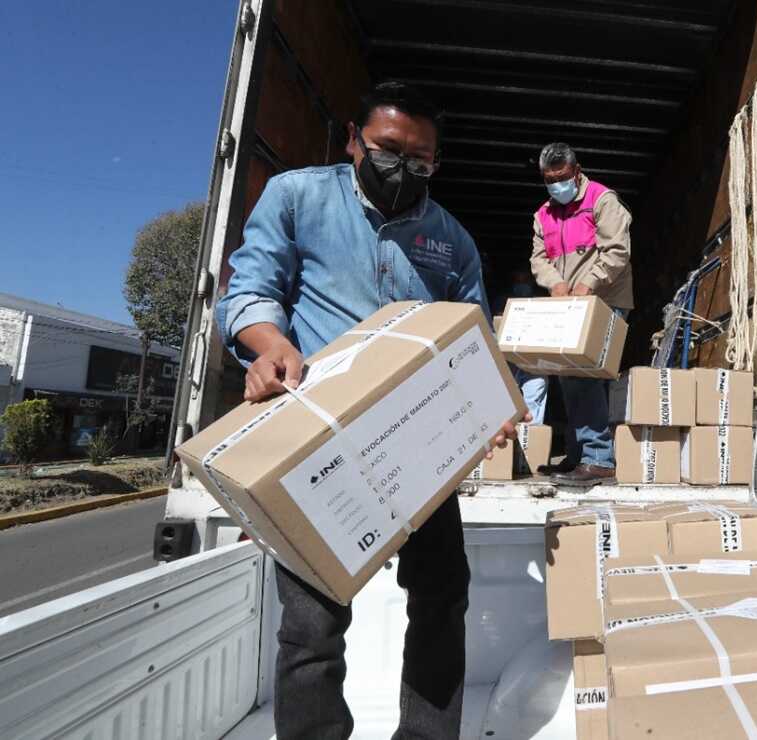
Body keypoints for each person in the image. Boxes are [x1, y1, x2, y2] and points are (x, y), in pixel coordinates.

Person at [217, 80, 527, 740]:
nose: (403, 169)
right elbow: (249, 289)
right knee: (311, 624)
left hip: (419, 445)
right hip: (316, 438)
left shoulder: (452, 240)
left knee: (443, 596)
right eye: (388, 149)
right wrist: (270, 347)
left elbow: (475, 343)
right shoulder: (299, 196)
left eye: (420, 160)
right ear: (355, 140)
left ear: (435, 164)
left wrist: (491, 407)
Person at [530, 142, 633, 484]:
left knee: (585, 376)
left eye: (561, 178)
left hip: (604, 301)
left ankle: (598, 458)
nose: (556, 185)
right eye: (549, 179)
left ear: (576, 171)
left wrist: (588, 282)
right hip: (568, 306)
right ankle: (579, 457)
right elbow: (538, 258)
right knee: (567, 377)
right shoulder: (543, 214)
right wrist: (555, 284)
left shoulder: (602, 200)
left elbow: (617, 251)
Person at [495, 269, 548, 425]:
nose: (521, 285)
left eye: (524, 281)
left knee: (534, 394)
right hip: (508, 357)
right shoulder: (503, 300)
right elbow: (495, 321)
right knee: (505, 397)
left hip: (535, 358)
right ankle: (508, 442)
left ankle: (530, 439)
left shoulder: (540, 300)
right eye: (518, 281)